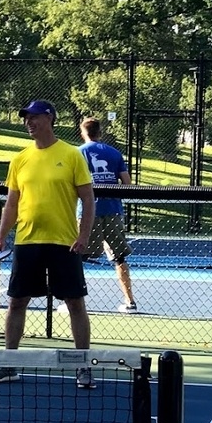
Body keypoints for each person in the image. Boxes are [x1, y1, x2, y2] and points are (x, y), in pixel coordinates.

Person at [0, 100, 97, 389]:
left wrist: (83, 235)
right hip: (28, 241)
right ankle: (9, 364)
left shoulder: (72, 155)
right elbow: (12, 203)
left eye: (34, 117)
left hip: (64, 243)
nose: (28, 123)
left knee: (74, 302)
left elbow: (87, 198)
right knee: (17, 301)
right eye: (26, 119)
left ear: (49, 118)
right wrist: (0, 238)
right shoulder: (20, 159)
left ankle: (82, 365)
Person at [78, 118, 138, 313]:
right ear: (100, 132)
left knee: (78, 256)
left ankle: (74, 302)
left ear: (83, 132)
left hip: (88, 213)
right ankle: (130, 302)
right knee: (120, 257)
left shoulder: (77, 154)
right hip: (113, 212)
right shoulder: (114, 153)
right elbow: (127, 184)